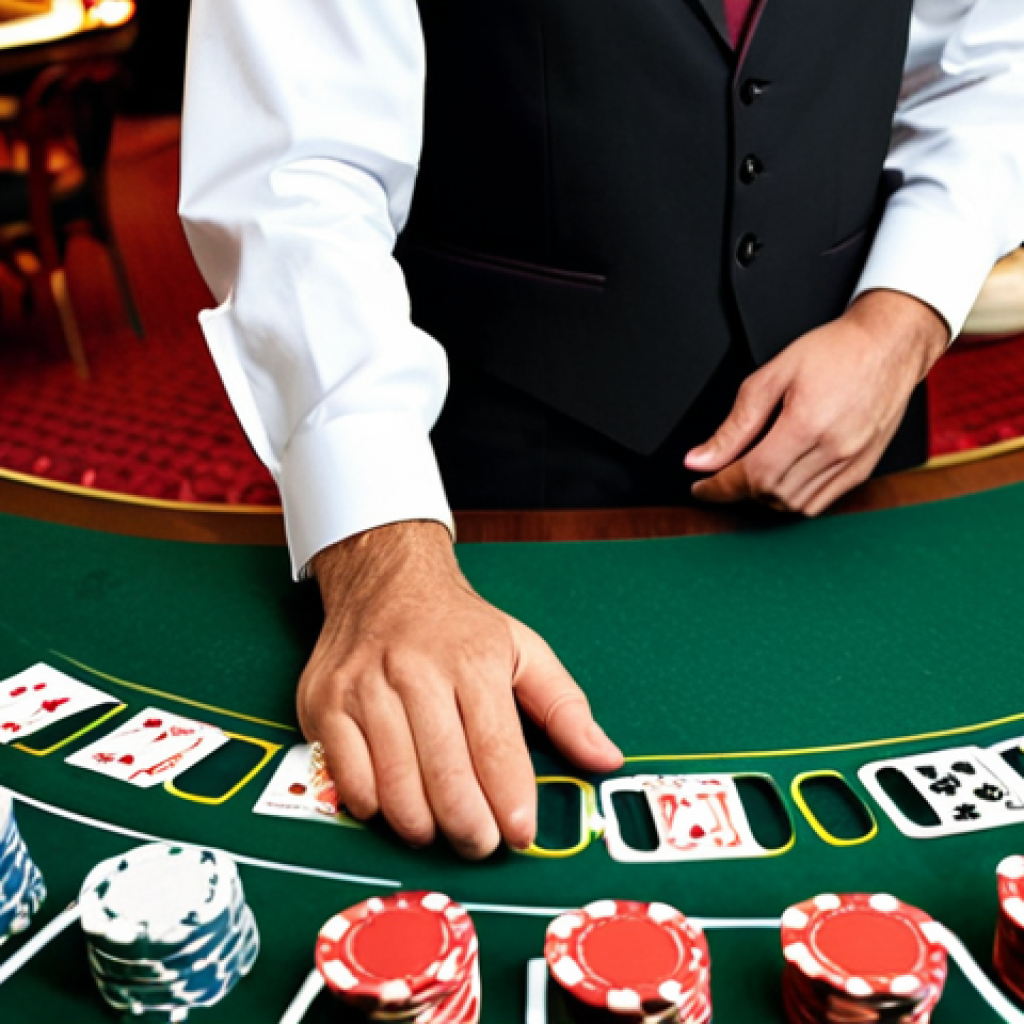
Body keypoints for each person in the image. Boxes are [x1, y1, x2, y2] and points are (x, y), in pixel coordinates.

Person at [179, 1, 1024, 860]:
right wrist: (381, 557)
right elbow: (296, 173)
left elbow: (993, 58)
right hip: (505, 502)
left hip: (852, 448)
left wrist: (904, 317)